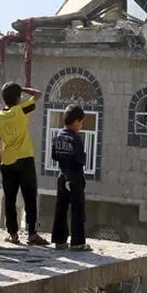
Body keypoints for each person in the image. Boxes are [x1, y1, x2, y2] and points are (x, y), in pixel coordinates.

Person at [0, 82, 49, 246]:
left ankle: (13, 234)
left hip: (7, 161)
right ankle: (32, 234)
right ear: (17, 97)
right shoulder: (21, 109)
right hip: (25, 159)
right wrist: (22, 88)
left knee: (10, 198)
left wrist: (0, 162)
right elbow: (38, 94)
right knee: (30, 197)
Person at [50, 104, 92, 251]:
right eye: (81, 122)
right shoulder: (75, 139)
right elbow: (80, 160)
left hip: (62, 176)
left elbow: (54, 156)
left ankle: (59, 240)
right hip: (75, 177)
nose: (81, 125)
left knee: (60, 209)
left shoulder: (58, 137)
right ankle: (78, 242)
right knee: (78, 210)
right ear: (76, 121)